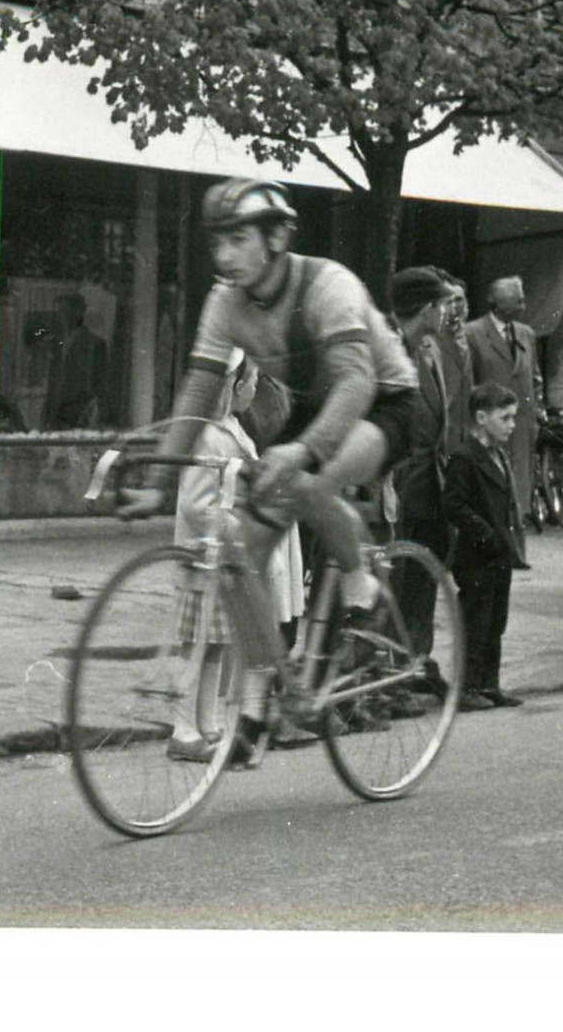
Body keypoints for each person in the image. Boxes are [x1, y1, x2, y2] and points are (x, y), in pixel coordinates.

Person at [117, 178, 417, 723]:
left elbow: (356, 384)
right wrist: (159, 481)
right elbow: (200, 388)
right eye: (217, 242)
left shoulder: (329, 285)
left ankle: (363, 586)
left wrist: (302, 451)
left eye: (238, 240)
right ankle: (261, 703)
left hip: (385, 400)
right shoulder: (225, 302)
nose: (224, 256)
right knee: (242, 553)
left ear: (276, 238)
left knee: (305, 484)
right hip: (315, 408)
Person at [167, 349, 308, 762]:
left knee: (219, 647)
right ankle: (183, 728)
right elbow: (196, 504)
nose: (254, 389)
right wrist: (233, 525)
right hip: (203, 560)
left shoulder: (231, 429)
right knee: (198, 648)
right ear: (232, 386)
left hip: (222, 564)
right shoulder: (207, 435)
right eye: (250, 382)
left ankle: (206, 725)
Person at [442, 382, 529, 711]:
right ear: (481, 417)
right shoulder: (465, 457)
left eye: (513, 417)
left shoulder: (498, 456)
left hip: (499, 554)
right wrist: (485, 534)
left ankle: (489, 684)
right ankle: (466, 686)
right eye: (505, 418)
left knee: (496, 621)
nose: (512, 424)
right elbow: (453, 504)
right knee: (476, 621)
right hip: (477, 555)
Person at [388, 267, 456, 659]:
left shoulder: (428, 349)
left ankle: (415, 664)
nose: (446, 313)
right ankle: (387, 675)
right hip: (399, 484)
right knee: (392, 583)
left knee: (422, 579)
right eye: (443, 305)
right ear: (427, 308)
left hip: (430, 484)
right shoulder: (391, 350)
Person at [465, 276, 541, 525]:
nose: (524, 306)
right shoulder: (473, 333)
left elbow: (535, 376)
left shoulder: (526, 334)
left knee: (517, 485)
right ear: (497, 303)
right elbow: (469, 383)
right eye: (518, 300)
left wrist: (536, 409)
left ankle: (517, 530)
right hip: (490, 426)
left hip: (520, 426)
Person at [46, 291, 109, 429]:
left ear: (79, 312)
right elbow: (54, 380)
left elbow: (100, 385)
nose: (61, 315)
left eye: (65, 310)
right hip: (56, 417)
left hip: (79, 417)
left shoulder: (94, 344)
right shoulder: (57, 343)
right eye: (60, 311)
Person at [436, 273, 476, 459]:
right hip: (441, 437)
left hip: (466, 434)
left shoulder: (472, 338)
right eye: (449, 302)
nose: (455, 308)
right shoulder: (431, 340)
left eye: (459, 301)